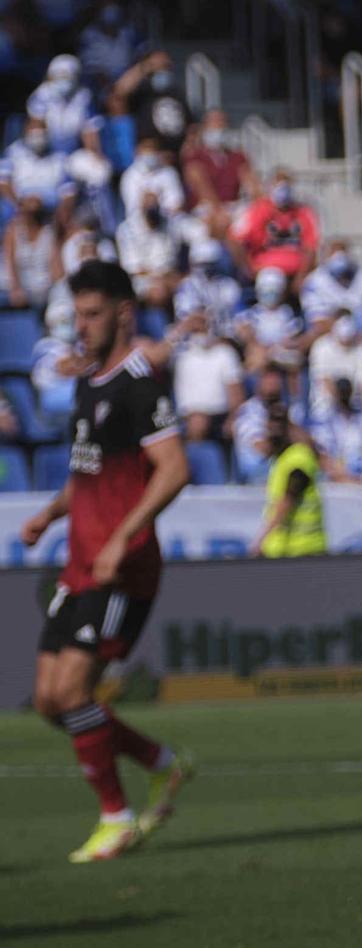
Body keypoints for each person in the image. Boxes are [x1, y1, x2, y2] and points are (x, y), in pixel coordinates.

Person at [18, 261, 195, 863]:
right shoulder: (89, 384)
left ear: (123, 313)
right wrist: (51, 513)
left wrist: (125, 534)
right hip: (80, 563)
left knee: (72, 691)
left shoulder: (141, 384)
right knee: (47, 701)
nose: (83, 326)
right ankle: (160, 764)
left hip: (123, 568)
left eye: (93, 314)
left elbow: (174, 470)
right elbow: (87, 471)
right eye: (78, 315)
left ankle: (116, 818)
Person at [251, 407, 326, 558]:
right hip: (284, 548)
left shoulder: (299, 457)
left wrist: (261, 539)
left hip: (305, 548)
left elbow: (288, 498)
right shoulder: (280, 461)